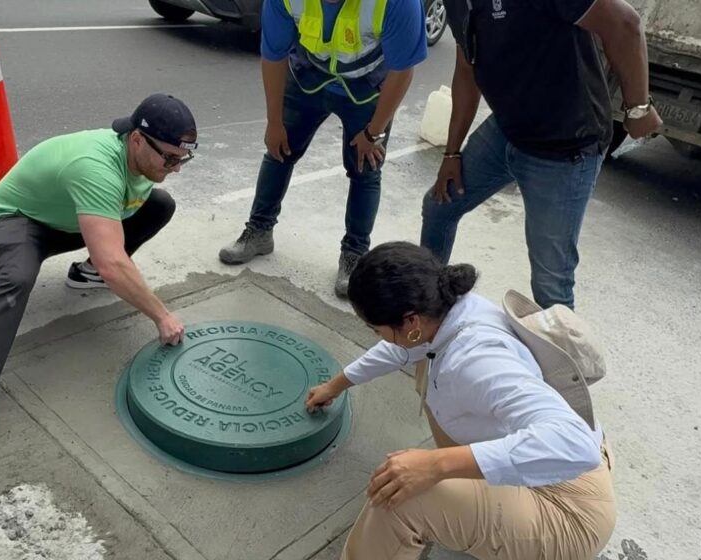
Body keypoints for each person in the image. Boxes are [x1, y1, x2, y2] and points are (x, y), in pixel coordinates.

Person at [0, 93, 198, 481]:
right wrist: (161, 315)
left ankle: (87, 273)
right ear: (137, 140)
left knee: (160, 204)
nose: (176, 167)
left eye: (183, 158)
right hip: (19, 220)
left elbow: (115, 241)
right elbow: (114, 262)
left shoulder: (139, 159)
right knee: (16, 281)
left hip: (69, 217)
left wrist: (109, 261)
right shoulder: (95, 167)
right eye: (169, 158)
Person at [306, 242, 615, 560]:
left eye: (375, 329)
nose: (376, 335)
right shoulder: (446, 310)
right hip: (542, 470)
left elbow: (577, 443)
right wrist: (335, 385)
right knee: (427, 368)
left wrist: (435, 465)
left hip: (567, 509)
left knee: (397, 500)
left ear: (410, 322)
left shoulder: (477, 359)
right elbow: (402, 348)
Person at [421, 0, 663, 309]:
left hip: (565, 149)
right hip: (507, 130)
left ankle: (561, 341)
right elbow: (467, 69)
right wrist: (451, 154)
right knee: (439, 207)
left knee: (551, 286)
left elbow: (624, 22)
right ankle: (428, 308)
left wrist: (638, 107)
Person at [218, 0, 427, 297]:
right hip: (308, 77)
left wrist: (374, 132)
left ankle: (354, 255)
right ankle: (259, 230)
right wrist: (274, 122)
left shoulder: (398, 3)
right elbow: (273, 55)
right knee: (279, 151)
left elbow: (402, 70)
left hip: (366, 88)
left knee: (365, 169)